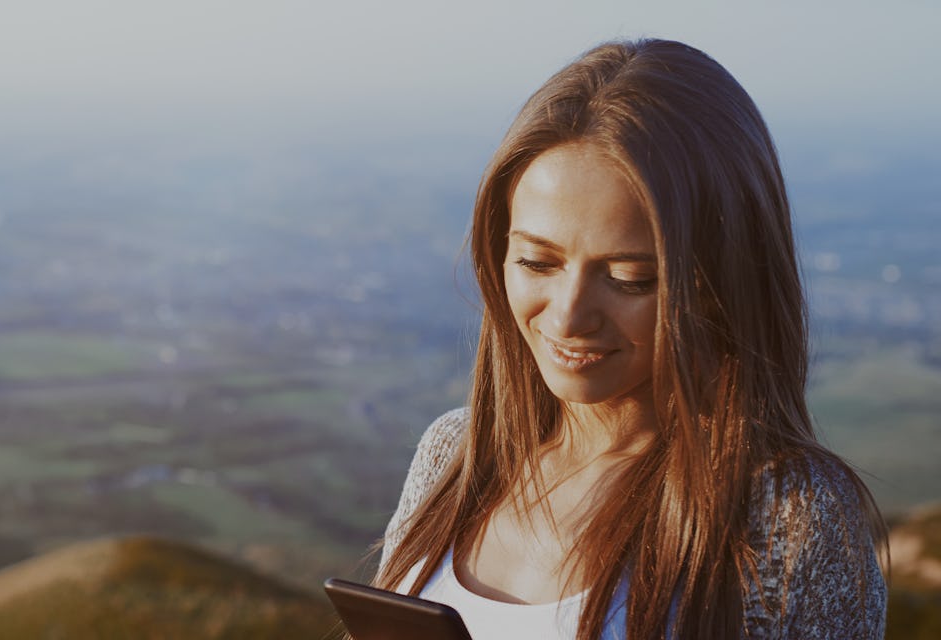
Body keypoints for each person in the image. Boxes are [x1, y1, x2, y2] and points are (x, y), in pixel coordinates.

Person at [368, 38, 887, 639]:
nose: (569, 317)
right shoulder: (452, 455)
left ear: (720, 281)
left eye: (629, 278)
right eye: (537, 262)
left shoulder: (787, 517)